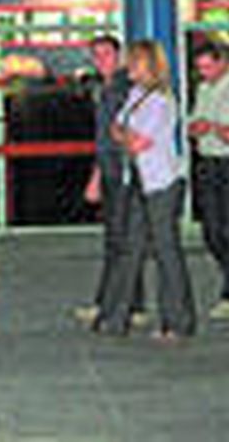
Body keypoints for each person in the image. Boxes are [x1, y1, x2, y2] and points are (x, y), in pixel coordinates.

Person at [94, 40, 196, 341]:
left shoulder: (161, 100)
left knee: (166, 251)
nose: (129, 66)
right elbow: (117, 130)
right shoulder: (137, 95)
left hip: (161, 182)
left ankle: (177, 321)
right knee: (130, 247)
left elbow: (135, 140)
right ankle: (116, 317)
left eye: (134, 61)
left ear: (148, 64)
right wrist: (127, 135)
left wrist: (125, 135)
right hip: (138, 178)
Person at [186, 41, 229, 318]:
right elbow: (194, 124)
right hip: (209, 160)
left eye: (207, 67)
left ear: (222, 62)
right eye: (199, 68)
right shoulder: (204, 89)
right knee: (212, 231)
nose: (203, 73)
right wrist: (199, 127)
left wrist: (211, 126)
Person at [80, 35, 142, 326]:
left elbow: (116, 138)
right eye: (96, 55)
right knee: (123, 237)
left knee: (118, 239)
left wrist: (98, 176)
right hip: (112, 169)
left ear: (119, 56)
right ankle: (132, 301)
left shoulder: (121, 89)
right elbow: (103, 139)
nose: (101, 60)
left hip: (122, 171)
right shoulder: (104, 89)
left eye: (106, 54)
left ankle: (112, 302)